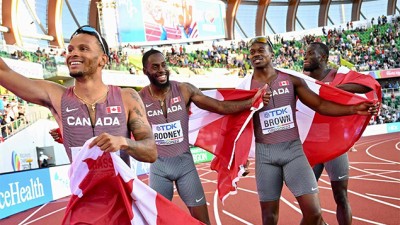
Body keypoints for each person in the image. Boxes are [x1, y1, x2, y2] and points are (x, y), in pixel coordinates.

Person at [237, 37, 378, 225]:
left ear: (272, 54)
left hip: (304, 149)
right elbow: (236, 121)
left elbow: (322, 102)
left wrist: (353, 107)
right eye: (252, 51)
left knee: (324, 205)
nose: (256, 54)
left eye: (261, 50)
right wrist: (241, 155)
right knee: (271, 217)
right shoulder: (245, 86)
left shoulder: (295, 79)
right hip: (282, 151)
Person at [139, 49, 266, 225]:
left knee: (202, 221)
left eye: (164, 65)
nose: (161, 70)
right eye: (155, 67)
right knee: (157, 221)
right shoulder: (139, 99)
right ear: (145, 71)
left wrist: (250, 103)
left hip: (185, 166)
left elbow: (220, 107)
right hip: (158, 168)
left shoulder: (183, 90)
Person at [0, 25, 156, 165]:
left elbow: (151, 152)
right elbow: (4, 72)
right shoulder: (57, 96)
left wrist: (123, 143)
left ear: (103, 60)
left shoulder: (127, 97)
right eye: (70, 50)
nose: (73, 54)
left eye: (83, 49)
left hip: (122, 196)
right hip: (82, 196)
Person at [304, 42, 381, 225]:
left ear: (322, 57)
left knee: (341, 196)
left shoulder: (338, 75)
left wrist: (332, 90)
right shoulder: (302, 81)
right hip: (311, 147)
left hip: (334, 147)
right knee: (306, 201)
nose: (304, 57)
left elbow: (369, 85)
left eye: (309, 54)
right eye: (304, 54)